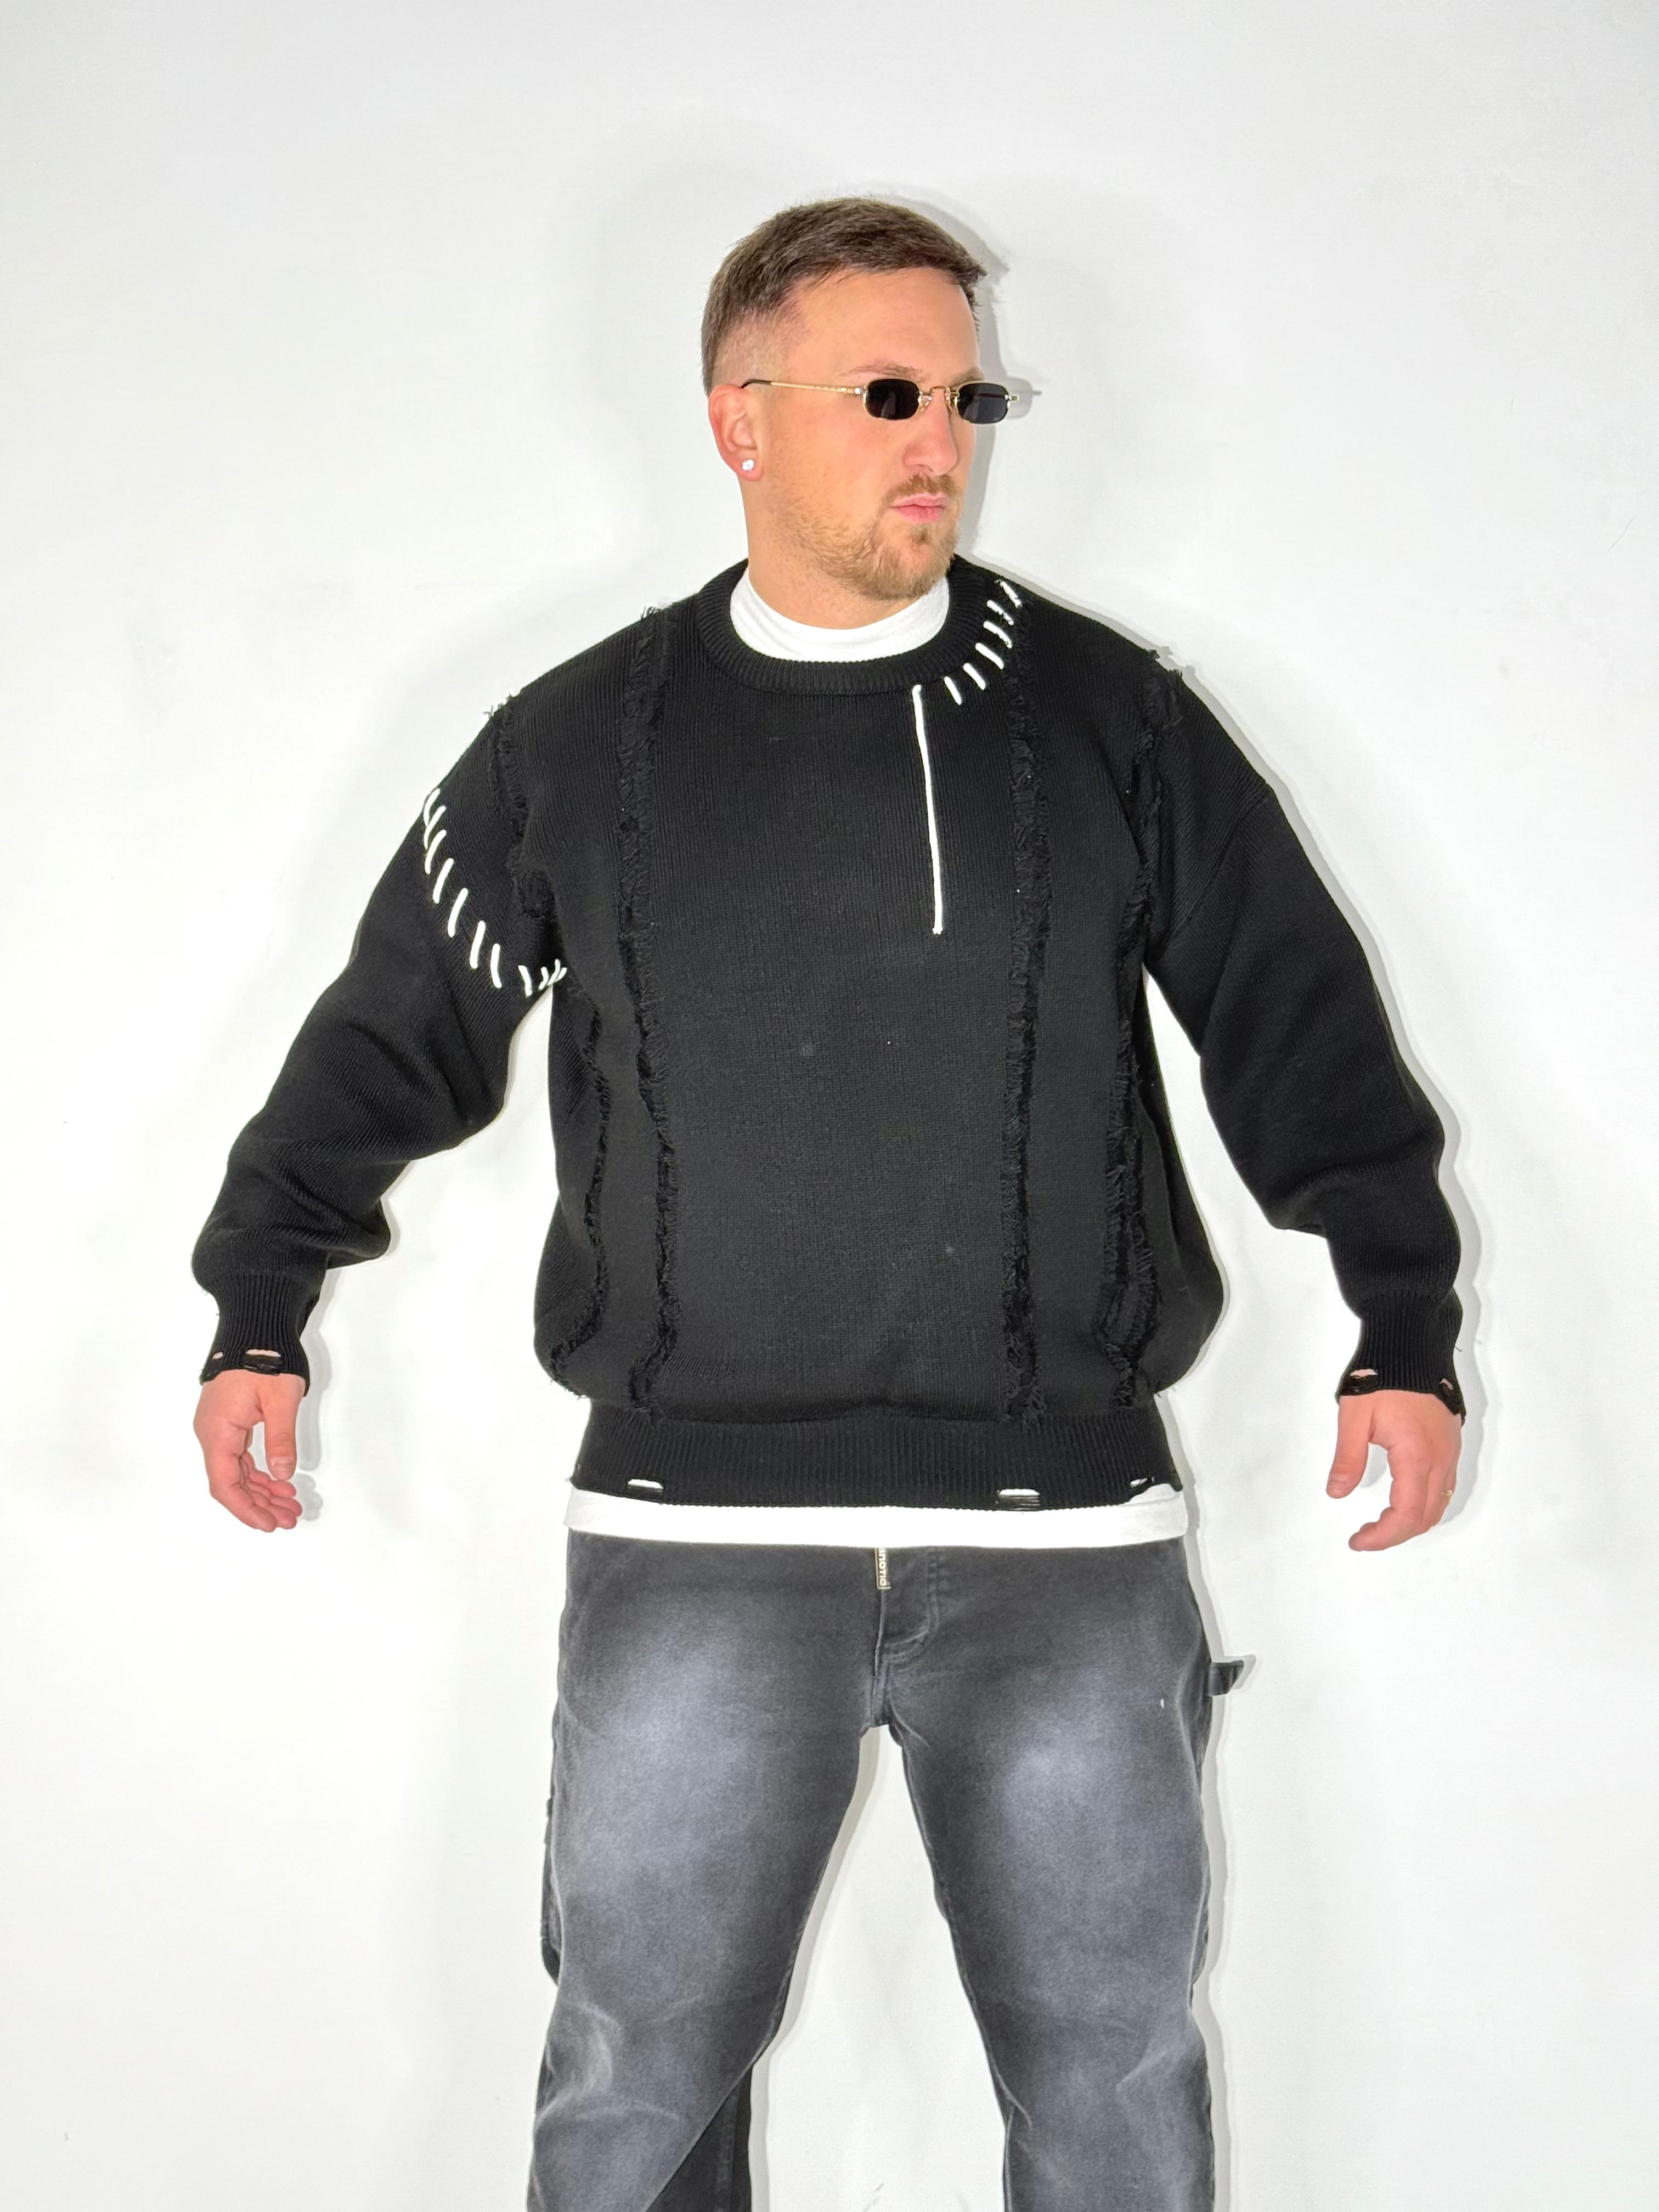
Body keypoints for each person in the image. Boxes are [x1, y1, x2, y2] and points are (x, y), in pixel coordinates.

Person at [189, 196, 1465, 2210]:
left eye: (968, 400)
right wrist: (261, 1305)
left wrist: (1406, 1326)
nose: (940, 441)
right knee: (634, 2104)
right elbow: (387, 1040)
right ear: (741, 419)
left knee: (1116, 2098)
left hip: (1065, 1545)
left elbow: (1296, 1023)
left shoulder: (1112, 725)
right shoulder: (574, 748)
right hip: (692, 1539)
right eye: (889, 395)